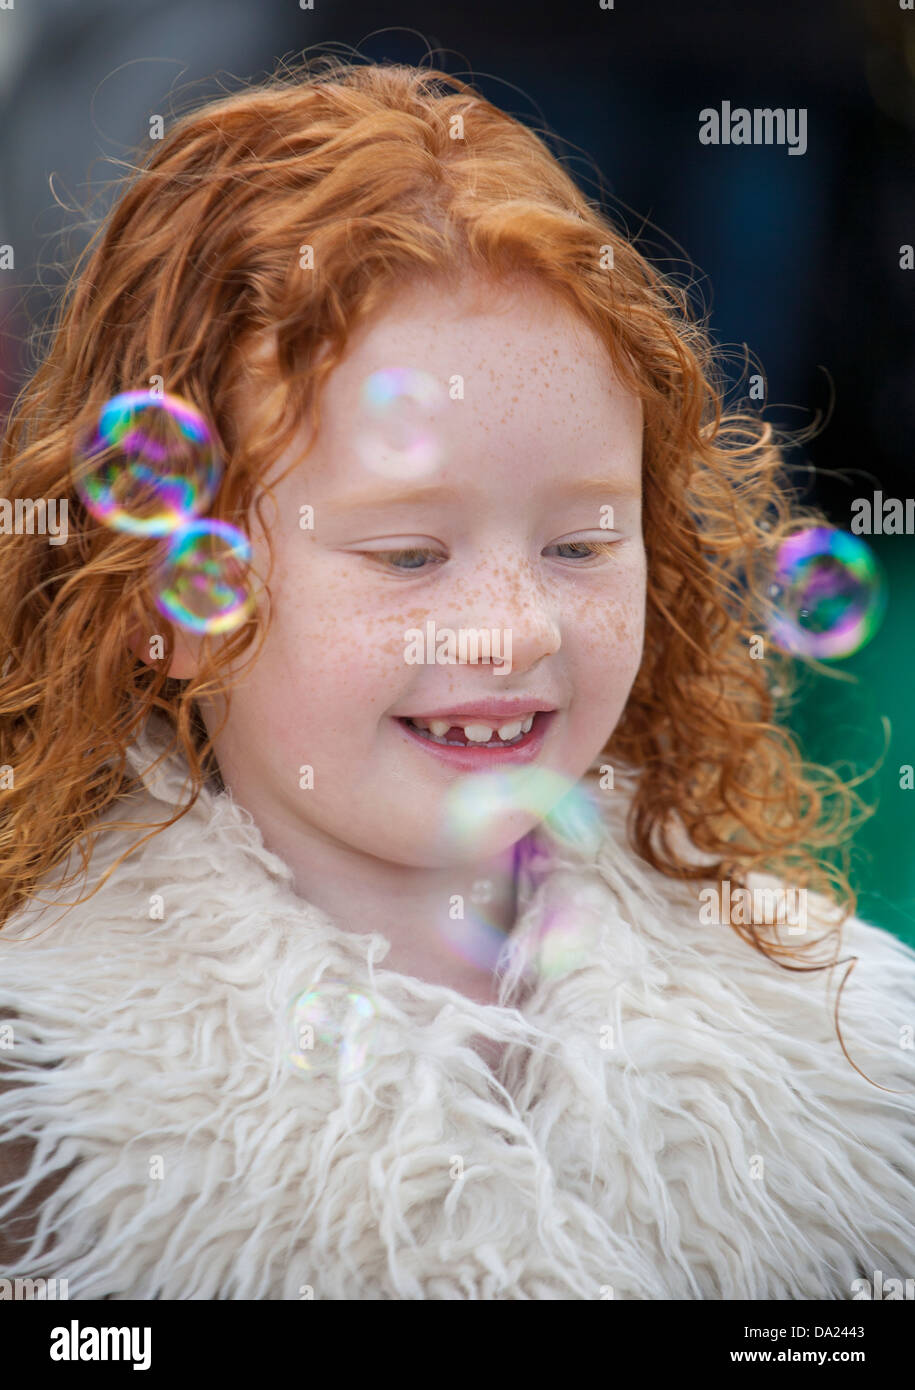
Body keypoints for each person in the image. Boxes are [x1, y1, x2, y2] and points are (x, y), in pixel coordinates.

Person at [0, 56, 912, 1300]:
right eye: (409, 552)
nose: (514, 630)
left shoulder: (851, 1039)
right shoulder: (43, 1098)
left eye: (583, 543)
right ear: (165, 591)